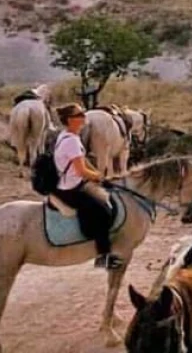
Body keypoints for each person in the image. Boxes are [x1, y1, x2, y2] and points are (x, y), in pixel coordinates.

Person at [52, 103, 122, 269]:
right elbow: (81, 170)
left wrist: (99, 175)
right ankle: (102, 256)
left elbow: (84, 161)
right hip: (72, 188)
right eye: (79, 115)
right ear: (70, 120)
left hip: (69, 182)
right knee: (103, 210)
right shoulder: (72, 142)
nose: (84, 117)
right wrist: (98, 176)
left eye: (83, 114)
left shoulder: (67, 136)